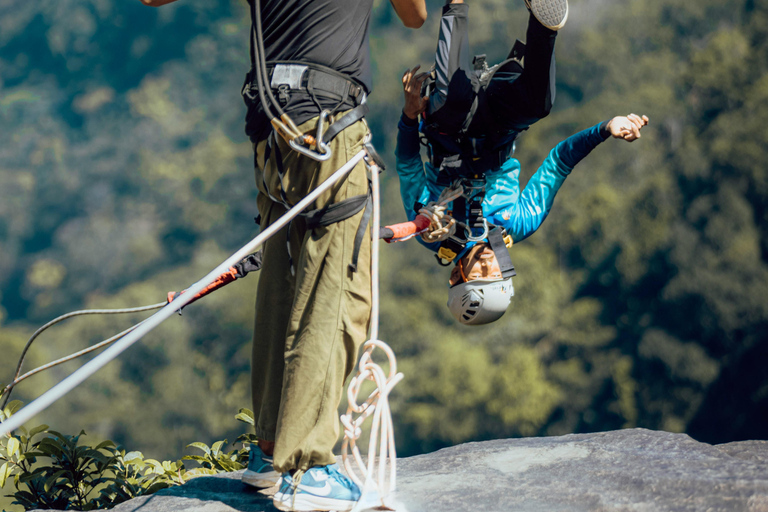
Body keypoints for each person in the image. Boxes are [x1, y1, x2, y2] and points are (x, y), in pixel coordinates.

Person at [138, 0, 426, 511]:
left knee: (282, 281)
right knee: (337, 290)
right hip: (328, 126)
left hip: (273, 129)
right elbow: (415, 15)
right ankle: (310, 464)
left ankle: (270, 450)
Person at [396, 64, 649, 325]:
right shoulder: (520, 223)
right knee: (539, 105)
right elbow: (559, 162)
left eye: (481, 274)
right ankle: (541, 40)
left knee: (454, 105)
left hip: (445, 135)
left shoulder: (431, 232)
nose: (490, 264)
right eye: (497, 273)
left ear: (456, 276)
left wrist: (409, 116)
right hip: (499, 128)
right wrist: (605, 128)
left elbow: (408, 166)